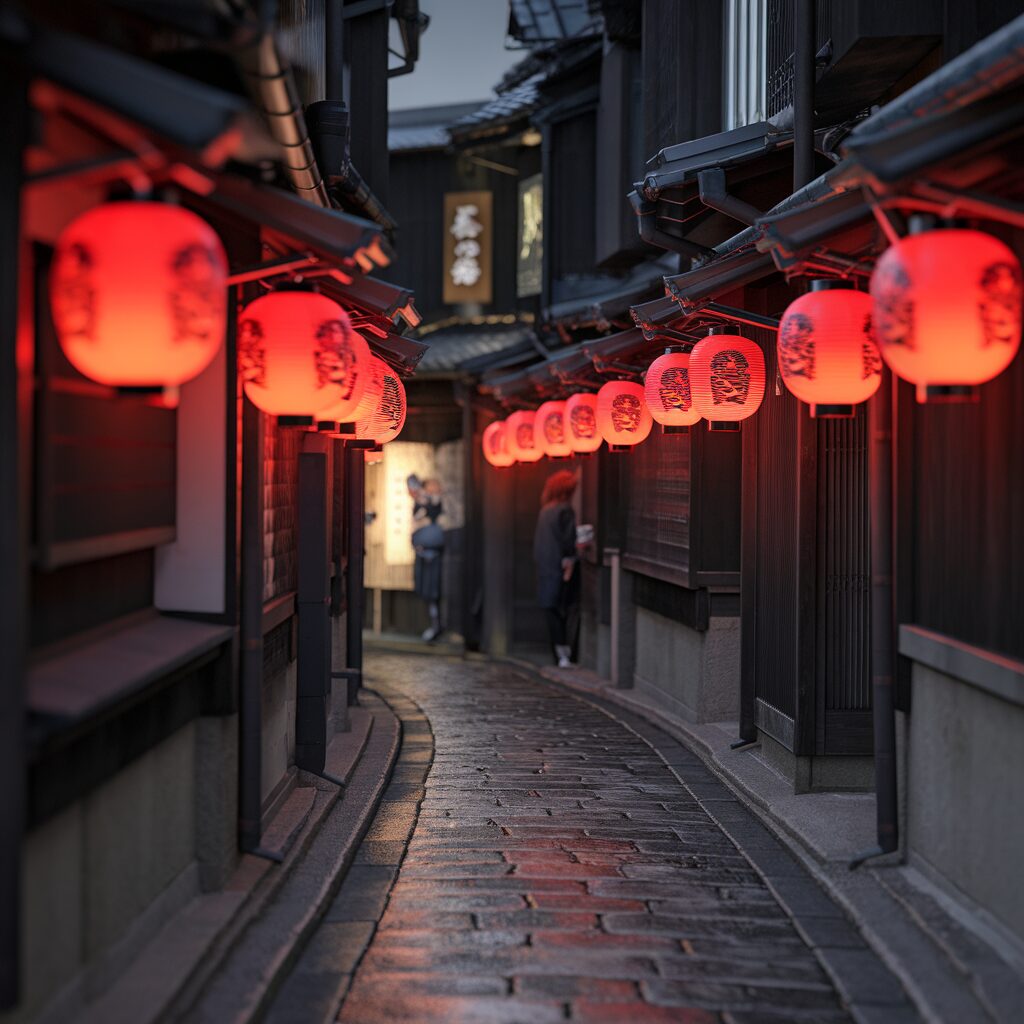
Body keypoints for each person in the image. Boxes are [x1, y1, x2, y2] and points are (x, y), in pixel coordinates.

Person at [533, 469, 580, 668]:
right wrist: (572, 557)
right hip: (560, 567)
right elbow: (569, 541)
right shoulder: (564, 510)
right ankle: (565, 654)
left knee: (550, 608)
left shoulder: (546, 510)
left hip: (546, 566)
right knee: (563, 610)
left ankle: (560, 653)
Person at [408, 475, 445, 642]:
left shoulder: (438, 504)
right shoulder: (421, 503)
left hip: (437, 554)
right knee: (427, 591)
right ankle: (433, 625)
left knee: (434, 592)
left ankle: (437, 625)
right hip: (423, 551)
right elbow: (415, 522)